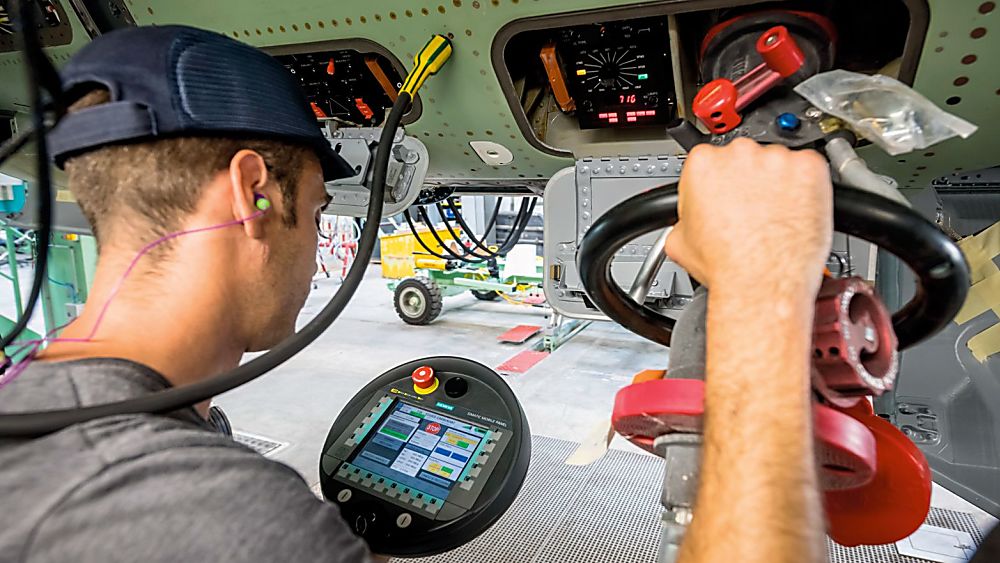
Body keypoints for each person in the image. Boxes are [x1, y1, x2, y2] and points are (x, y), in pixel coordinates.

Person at [1, 22, 990, 563]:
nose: (317, 246)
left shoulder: (52, 417)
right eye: (314, 209)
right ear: (254, 192)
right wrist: (763, 291)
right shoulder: (204, 515)